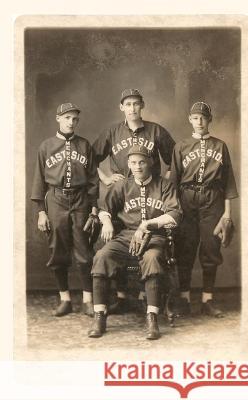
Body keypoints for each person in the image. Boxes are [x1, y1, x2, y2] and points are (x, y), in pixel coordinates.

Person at [92, 89, 176, 310]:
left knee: (148, 249)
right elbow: (89, 158)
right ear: (121, 107)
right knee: (117, 245)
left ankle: (144, 298)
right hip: (121, 199)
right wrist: (107, 178)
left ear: (142, 105)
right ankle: (120, 298)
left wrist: (164, 181)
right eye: (127, 104)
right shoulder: (112, 132)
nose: (132, 108)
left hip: (151, 196)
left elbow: (174, 160)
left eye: (136, 104)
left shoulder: (156, 131)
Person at [88, 145, 182, 339]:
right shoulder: (122, 185)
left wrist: (148, 224)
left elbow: (175, 215)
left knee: (153, 258)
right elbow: (105, 208)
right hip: (126, 236)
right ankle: (99, 316)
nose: (137, 167)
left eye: (141, 162)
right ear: (128, 165)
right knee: (101, 256)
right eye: (133, 163)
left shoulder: (164, 184)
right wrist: (106, 222)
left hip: (155, 235)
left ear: (150, 163)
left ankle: (152, 317)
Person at [170, 101, 238, 317]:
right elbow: (173, 182)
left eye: (203, 117)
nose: (199, 121)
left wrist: (227, 214)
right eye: (195, 117)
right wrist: (175, 210)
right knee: (185, 250)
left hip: (213, 201)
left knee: (210, 249)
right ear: (190, 120)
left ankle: (208, 300)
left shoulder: (220, 146)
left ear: (210, 120)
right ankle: (184, 298)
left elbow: (228, 182)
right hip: (186, 200)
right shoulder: (180, 146)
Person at [31, 102, 99, 317]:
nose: (71, 122)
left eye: (75, 119)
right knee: (57, 250)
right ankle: (65, 299)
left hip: (81, 200)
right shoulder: (46, 146)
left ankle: (88, 299)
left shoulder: (84, 145)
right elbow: (39, 181)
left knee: (84, 252)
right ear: (58, 119)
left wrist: (94, 209)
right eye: (67, 118)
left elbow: (93, 180)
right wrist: (41, 211)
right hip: (56, 199)